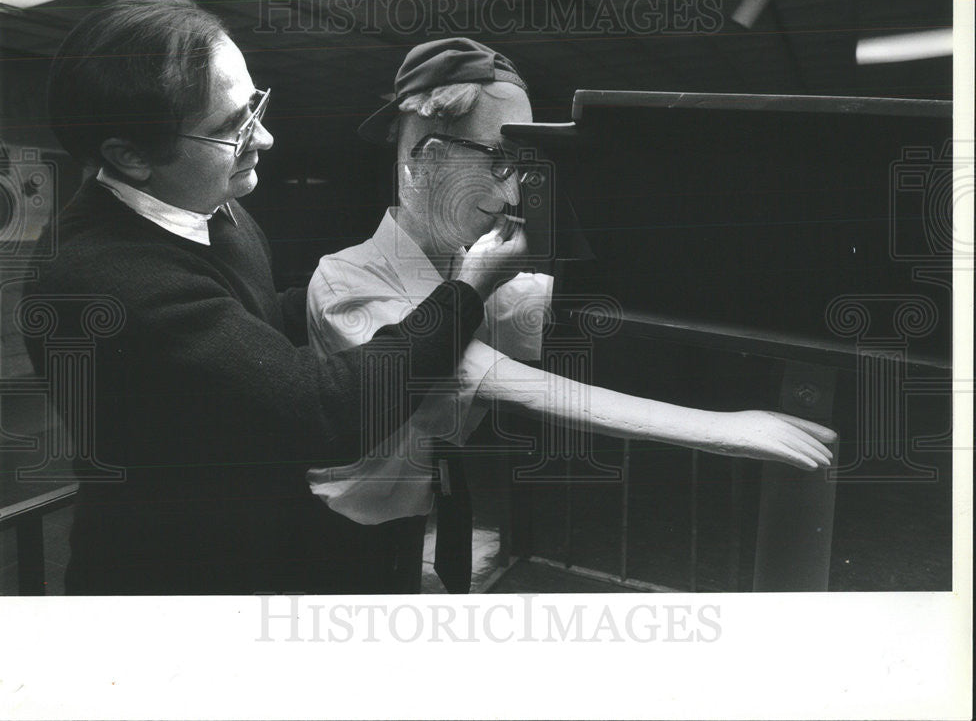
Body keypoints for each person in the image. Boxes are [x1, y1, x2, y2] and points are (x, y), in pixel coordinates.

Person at [22, 0, 524, 595]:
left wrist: (358, 279)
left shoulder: (212, 206)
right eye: (230, 128)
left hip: (257, 544)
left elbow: (245, 322)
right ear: (129, 157)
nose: (265, 136)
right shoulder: (109, 282)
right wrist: (467, 290)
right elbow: (319, 412)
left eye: (254, 105)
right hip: (178, 583)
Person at [305, 38, 839, 594]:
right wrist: (725, 429)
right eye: (498, 158)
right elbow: (509, 382)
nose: (512, 191)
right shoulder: (346, 280)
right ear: (425, 155)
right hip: (339, 523)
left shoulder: (467, 273)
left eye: (522, 164)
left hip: (418, 506)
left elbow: (607, 301)